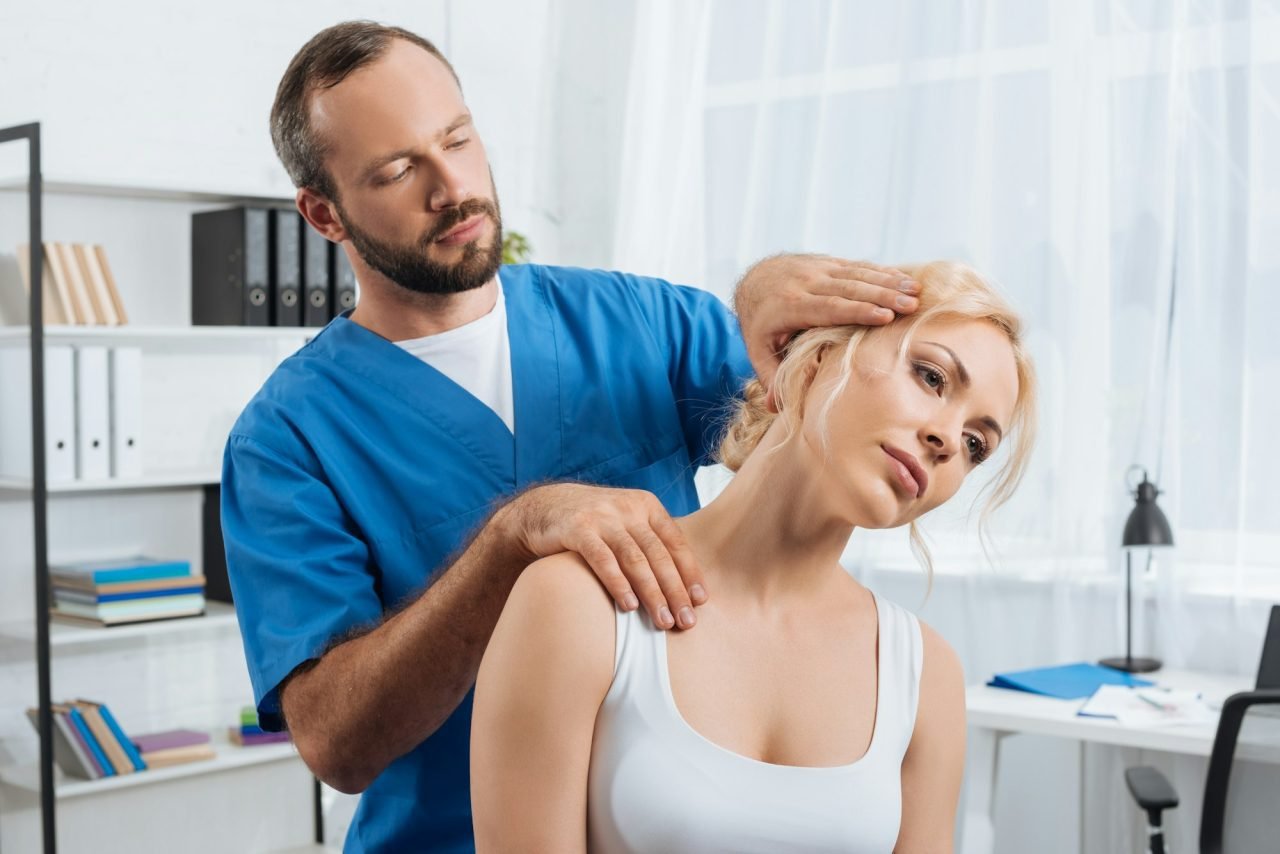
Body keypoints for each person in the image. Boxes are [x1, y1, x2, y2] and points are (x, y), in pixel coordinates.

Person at [221, 20, 922, 854]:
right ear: (323, 214)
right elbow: (338, 745)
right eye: (400, 169)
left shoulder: (637, 324)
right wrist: (512, 537)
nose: (452, 187)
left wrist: (767, 294)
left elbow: (820, 400)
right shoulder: (288, 437)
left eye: (458, 139)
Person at [471, 261, 1039, 853]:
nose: (948, 440)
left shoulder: (924, 674)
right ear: (817, 361)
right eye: (930, 377)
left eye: (977, 444)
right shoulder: (577, 604)